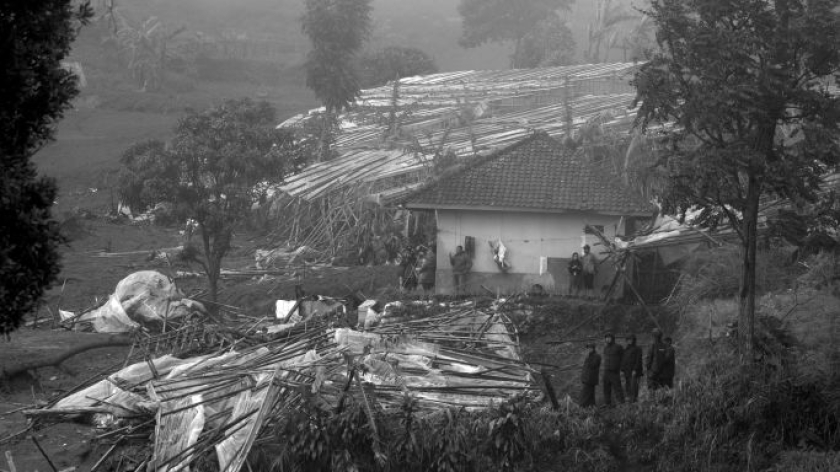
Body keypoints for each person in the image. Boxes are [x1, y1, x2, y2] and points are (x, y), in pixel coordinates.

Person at [602, 332, 625, 406]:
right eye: (606, 338)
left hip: (614, 371)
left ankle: (621, 403)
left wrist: (622, 368)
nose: (607, 339)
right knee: (606, 388)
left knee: (617, 388)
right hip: (606, 371)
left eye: (609, 338)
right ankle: (607, 403)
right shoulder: (605, 348)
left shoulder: (618, 347)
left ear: (612, 338)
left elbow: (623, 358)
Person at [621, 334, 644, 402]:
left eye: (631, 339)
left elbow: (638, 360)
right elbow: (623, 360)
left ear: (634, 340)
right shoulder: (626, 349)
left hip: (634, 371)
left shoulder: (638, 348)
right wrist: (622, 369)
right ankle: (629, 398)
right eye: (628, 340)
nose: (629, 341)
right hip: (627, 370)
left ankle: (634, 399)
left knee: (633, 385)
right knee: (628, 384)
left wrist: (635, 369)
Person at [580, 343, 601, 408]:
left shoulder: (597, 356)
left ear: (593, 348)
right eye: (588, 348)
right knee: (591, 395)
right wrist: (583, 378)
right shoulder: (588, 356)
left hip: (590, 379)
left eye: (590, 348)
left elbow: (593, 365)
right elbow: (585, 368)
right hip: (586, 379)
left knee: (585, 394)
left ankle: (581, 407)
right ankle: (592, 407)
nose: (588, 349)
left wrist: (588, 357)